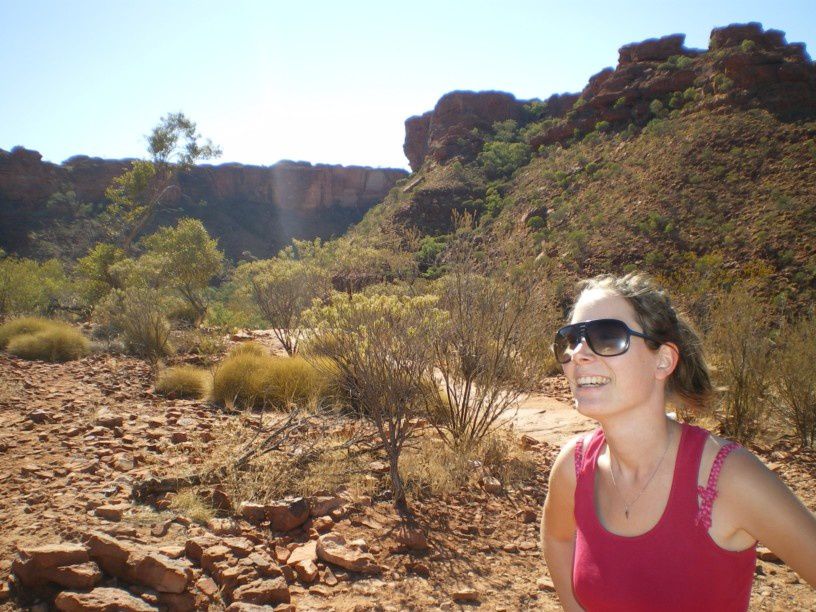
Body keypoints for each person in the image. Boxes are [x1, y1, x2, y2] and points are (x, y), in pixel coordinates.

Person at [540, 273, 816, 611]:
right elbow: (557, 537)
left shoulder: (727, 478)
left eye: (607, 337)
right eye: (570, 339)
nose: (578, 353)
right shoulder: (574, 467)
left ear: (663, 361)